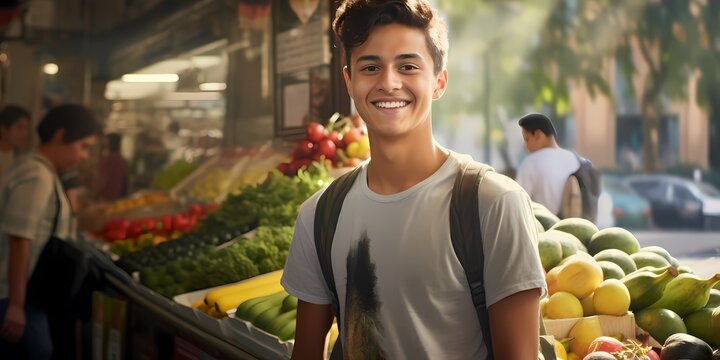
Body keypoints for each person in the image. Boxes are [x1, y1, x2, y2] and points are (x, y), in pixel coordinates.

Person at [281, 1, 547, 359]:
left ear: (439, 82)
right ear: (349, 81)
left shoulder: (493, 204)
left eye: (407, 66)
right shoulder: (319, 215)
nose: (389, 82)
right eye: (371, 67)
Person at [0, 104, 99, 359]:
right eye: (83, 146)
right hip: (15, 295)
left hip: (24, 293)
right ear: (60, 136)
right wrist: (16, 306)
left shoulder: (42, 170)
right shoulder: (37, 175)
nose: (85, 155)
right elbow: (19, 240)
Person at [516, 113, 581, 216]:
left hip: (545, 227)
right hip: (573, 223)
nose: (525, 146)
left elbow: (519, 203)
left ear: (538, 135)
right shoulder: (572, 158)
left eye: (527, 139)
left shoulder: (530, 162)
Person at [0, 105, 31, 176]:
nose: (24, 133)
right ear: (3, 129)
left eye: (26, 128)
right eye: (19, 127)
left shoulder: (20, 158)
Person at [99, 133, 127, 201]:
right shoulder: (118, 158)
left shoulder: (113, 159)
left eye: (106, 141)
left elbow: (110, 180)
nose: (104, 143)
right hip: (112, 195)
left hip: (110, 196)